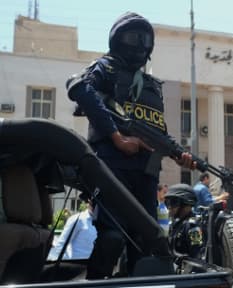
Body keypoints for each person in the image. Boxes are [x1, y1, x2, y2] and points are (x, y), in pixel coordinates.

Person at [66, 12, 194, 279]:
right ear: (117, 39)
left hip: (146, 174)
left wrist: (178, 154)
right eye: (134, 37)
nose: (140, 44)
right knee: (111, 236)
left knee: (146, 242)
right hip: (112, 167)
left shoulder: (151, 86)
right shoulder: (106, 67)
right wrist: (117, 138)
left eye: (145, 39)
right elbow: (79, 88)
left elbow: (158, 132)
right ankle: (94, 283)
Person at [165, 184, 204, 259]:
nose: (169, 207)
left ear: (186, 204)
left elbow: (197, 256)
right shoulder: (176, 223)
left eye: (173, 202)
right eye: (167, 202)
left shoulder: (192, 227)